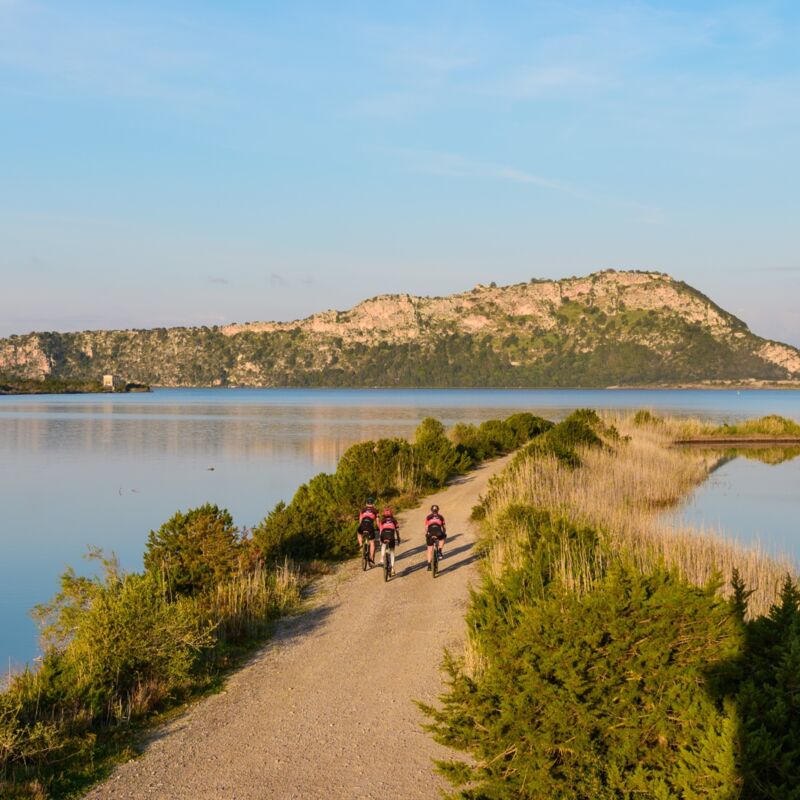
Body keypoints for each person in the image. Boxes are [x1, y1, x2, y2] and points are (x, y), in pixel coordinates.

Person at [378, 506, 400, 577]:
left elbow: (381, 531)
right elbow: (397, 531)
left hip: (384, 534)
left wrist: (380, 539)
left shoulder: (382, 520)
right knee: (392, 552)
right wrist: (398, 538)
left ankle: (382, 558)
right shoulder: (394, 520)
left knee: (383, 545)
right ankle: (393, 569)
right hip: (391, 535)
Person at [357, 497, 378, 565]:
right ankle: (371, 558)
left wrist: (361, 526)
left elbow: (360, 520)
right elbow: (377, 521)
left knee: (359, 533)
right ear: (373, 503)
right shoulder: (375, 510)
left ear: (366, 503)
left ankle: (360, 545)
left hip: (363, 525)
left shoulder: (362, 510)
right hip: (370, 527)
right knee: (372, 542)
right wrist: (379, 528)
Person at [425, 504, 446, 571]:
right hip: (438, 532)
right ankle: (439, 551)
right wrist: (444, 533)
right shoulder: (441, 516)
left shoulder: (428, 517)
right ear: (438, 510)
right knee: (443, 537)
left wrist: (427, 534)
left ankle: (429, 565)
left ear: (431, 510)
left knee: (429, 550)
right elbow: (444, 527)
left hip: (430, 532)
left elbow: (426, 527)